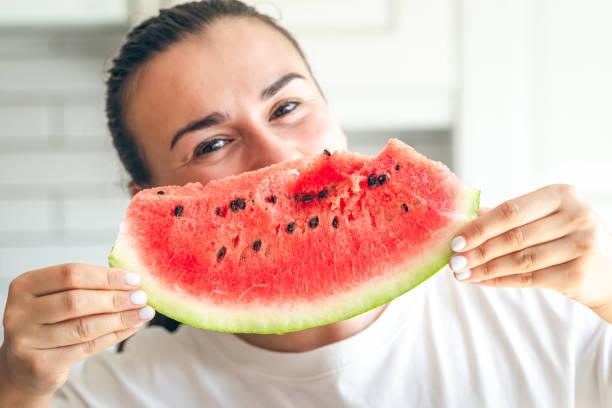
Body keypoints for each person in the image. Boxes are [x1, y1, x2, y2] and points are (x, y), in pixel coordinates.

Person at [1, 1, 611, 406]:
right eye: (211, 143)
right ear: (153, 203)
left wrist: (608, 297)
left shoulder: (546, 314)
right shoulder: (123, 394)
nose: (278, 158)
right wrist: (15, 385)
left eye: (287, 107)